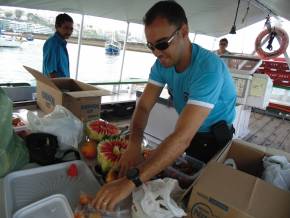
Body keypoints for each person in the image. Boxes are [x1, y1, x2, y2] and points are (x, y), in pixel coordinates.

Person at [93, 1, 236, 211]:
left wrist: (129, 182)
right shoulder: (162, 64)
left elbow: (182, 138)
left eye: (161, 44)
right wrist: (134, 143)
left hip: (215, 139)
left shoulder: (208, 68)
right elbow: (143, 107)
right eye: (150, 46)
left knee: (196, 200)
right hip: (190, 137)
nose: (156, 53)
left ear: (184, 32)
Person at [42, 13, 73, 78]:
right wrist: (58, 88)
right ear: (56, 27)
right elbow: (51, 73)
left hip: (62, 86)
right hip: (55, 87)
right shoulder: (52, 44)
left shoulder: (61, 44)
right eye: (66, 28)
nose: (69, 32)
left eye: (71, 29)